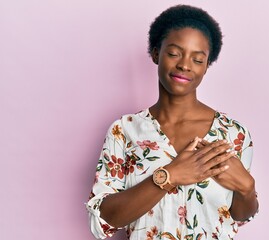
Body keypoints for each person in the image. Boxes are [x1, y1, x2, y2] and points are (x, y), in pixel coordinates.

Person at [86, 4, 259, 240]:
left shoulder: (232, 134)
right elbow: (103, 222)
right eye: (174, 53)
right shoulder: (124, 131)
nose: (184, 65)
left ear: (206, 67)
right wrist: (169, 176)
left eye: (197, 59)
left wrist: (247, 189)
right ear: (156, 53)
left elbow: (239, 215)